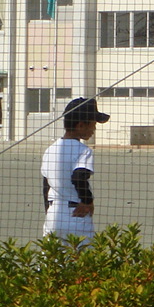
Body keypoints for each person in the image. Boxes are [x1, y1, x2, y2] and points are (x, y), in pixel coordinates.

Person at [41, 96, 110, 245]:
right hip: (76, 214)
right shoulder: (83, 150)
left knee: (52, 263)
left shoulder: (50, 150)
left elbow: (46, 186)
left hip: (53, 214)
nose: (94, 129)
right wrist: (87, 201)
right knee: (83, 262)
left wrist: (48, 211)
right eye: (92, 124)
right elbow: (79, 177)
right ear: (80, 126)